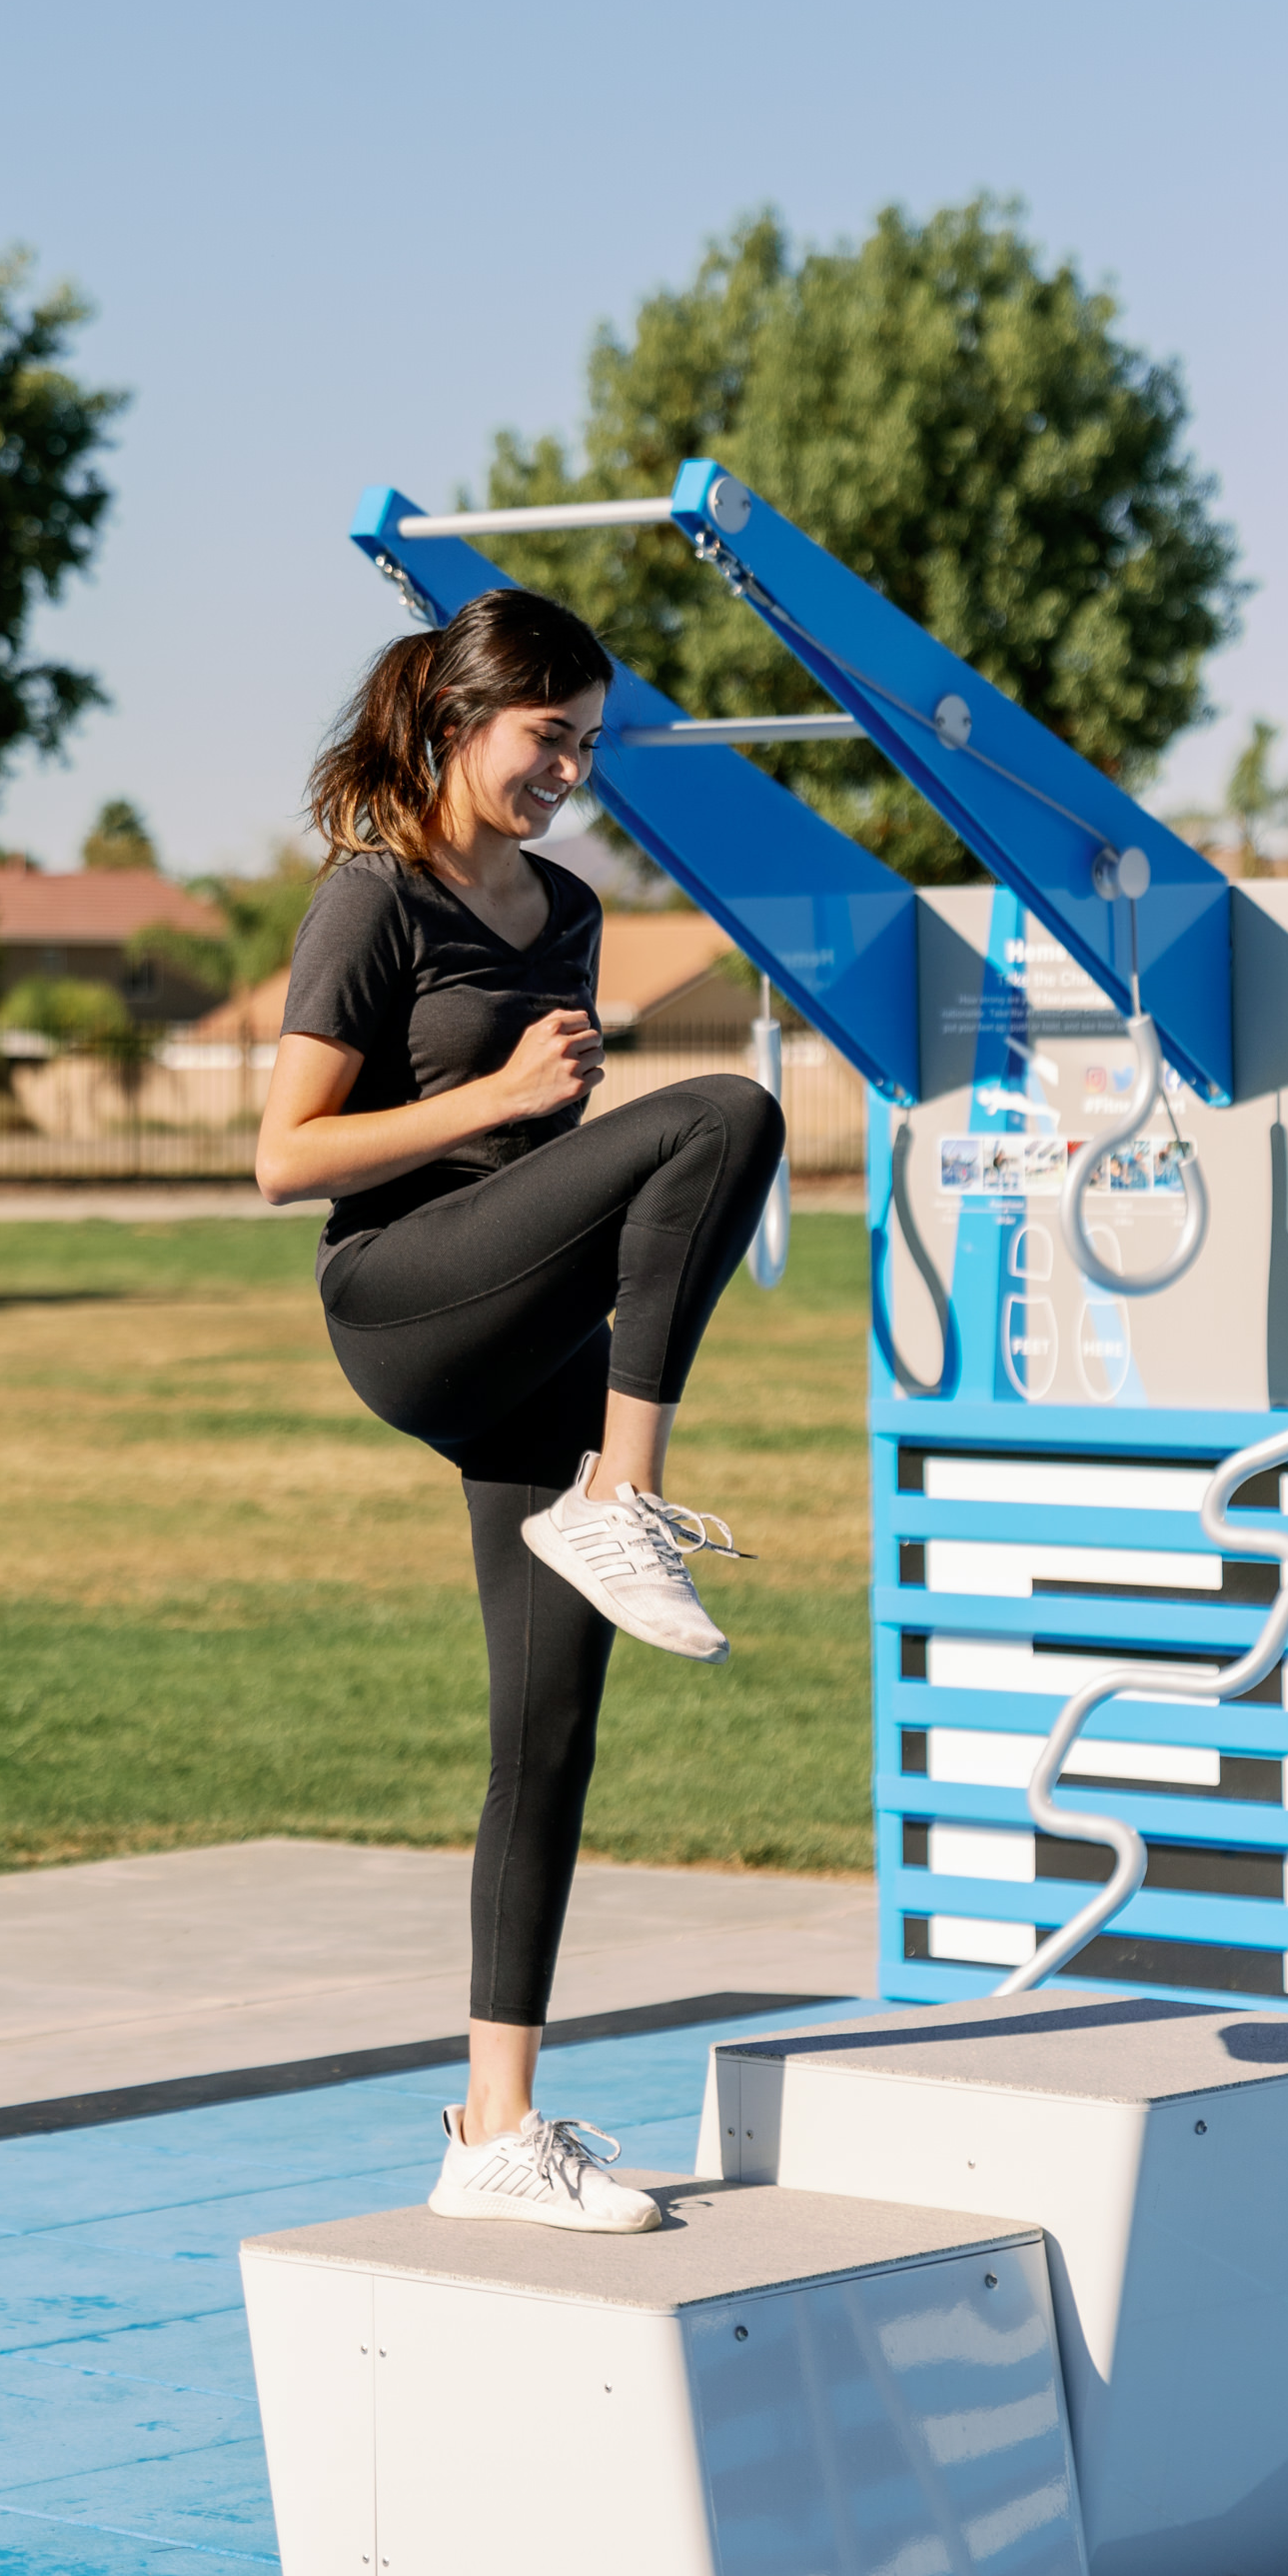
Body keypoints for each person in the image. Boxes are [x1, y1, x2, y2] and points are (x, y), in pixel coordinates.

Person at [257, 587, 784, 2236]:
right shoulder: (372, 899)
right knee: (729, 1116)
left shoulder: (561, 908)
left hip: (526, 1314)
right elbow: (283, 1161)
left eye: (589, 744)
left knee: (547, 1737)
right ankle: (622, 1495)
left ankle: (495, 2129)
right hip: (403, 1299)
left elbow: (553, 1157)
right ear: (460, 719)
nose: (571, 770)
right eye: (549, 737)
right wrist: (494, 1099)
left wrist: (556, 1144)